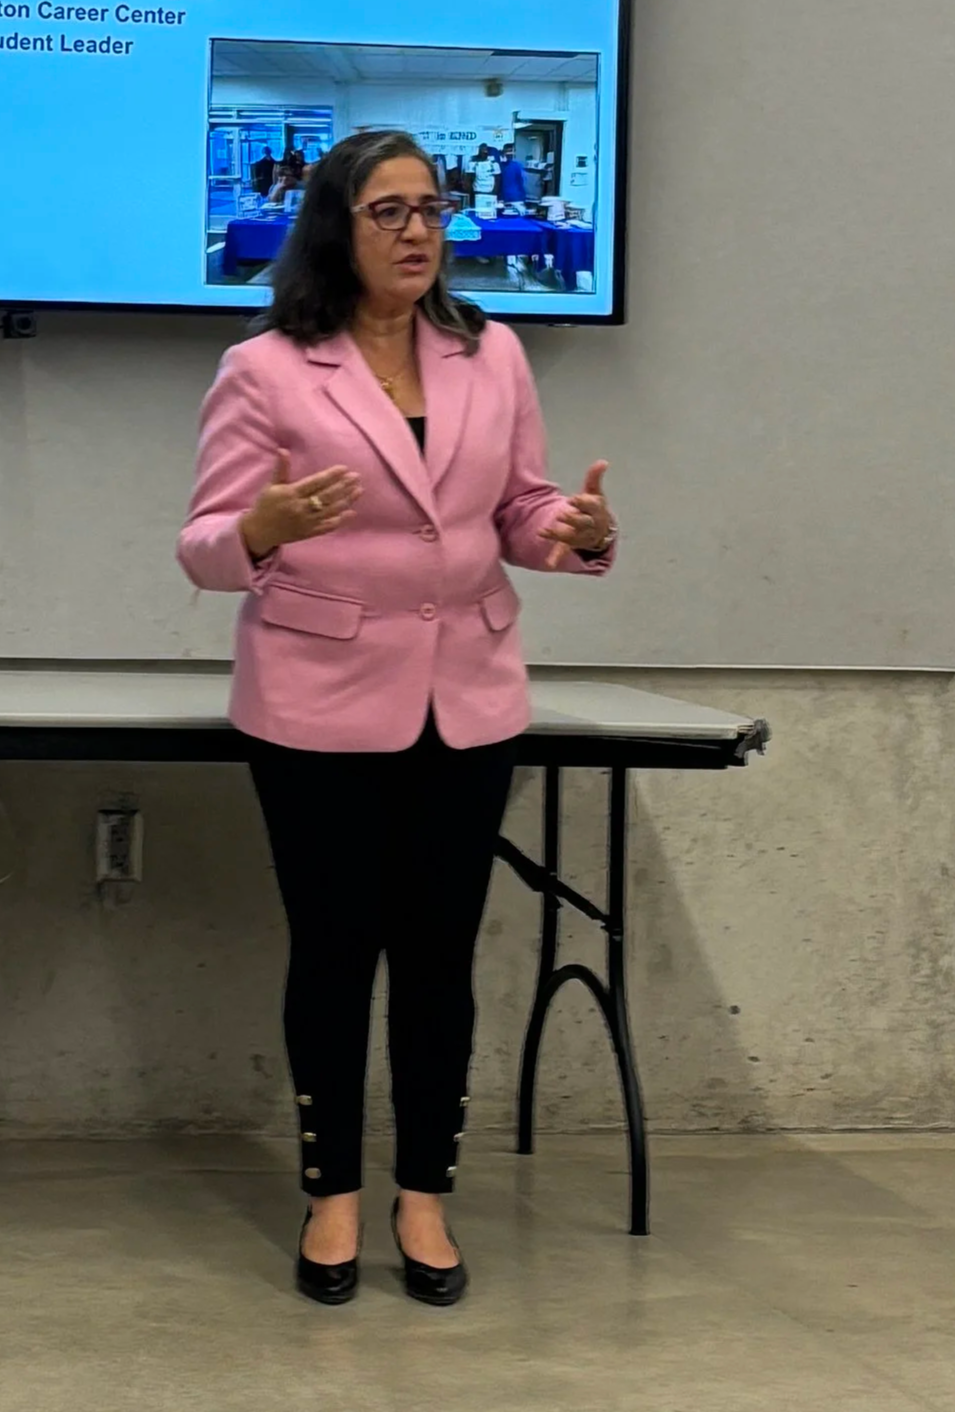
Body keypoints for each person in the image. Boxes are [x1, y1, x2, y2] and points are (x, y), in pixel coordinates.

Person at [178, 128, 615, 1310]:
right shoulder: (267, 368)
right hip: (315, 706)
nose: (419, 229)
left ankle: (425, 1195)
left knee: (438, 962)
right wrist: (263, 527)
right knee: (335, 958)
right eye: (389, 211)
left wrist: (572, 534)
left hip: (466, 702)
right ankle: (333, 1198)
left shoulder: (494, 353)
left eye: (431, 206)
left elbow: (517, 510)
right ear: (338, 223)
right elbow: (206, 547)